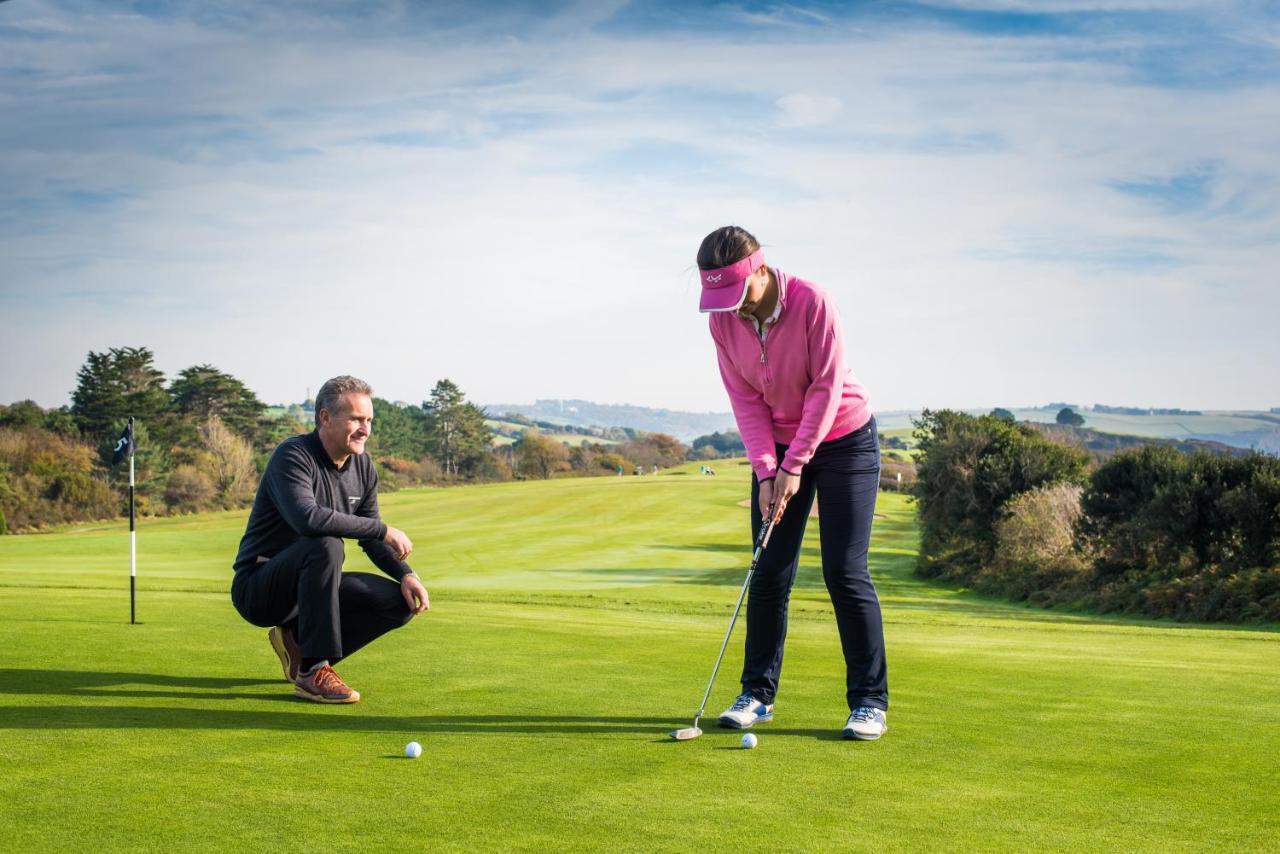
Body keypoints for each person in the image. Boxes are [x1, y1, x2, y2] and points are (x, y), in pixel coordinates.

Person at [697, 225, 888, 740]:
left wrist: (794, 465)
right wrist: (766, 470)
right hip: (779, 447)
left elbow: (826, 389)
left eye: (736, 293)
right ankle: (756, 695)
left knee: (844, 571)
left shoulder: (813, 302)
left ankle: (869, 702)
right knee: (768, 570)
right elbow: (746, 399)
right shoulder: (722, 322)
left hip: (845, 437)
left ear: (760, 270)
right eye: (718, 297)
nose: (730, 307)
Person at [230, 375, 429, 704]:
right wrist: (382, 529)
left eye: (369, 420)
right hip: (260, 588)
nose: (365, 429)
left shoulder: (363, 467)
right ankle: (313, 672)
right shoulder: (293, 456)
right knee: (325, 543)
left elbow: (370, 536)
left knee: (397, 603)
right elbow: (307, 518)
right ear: (325, 417)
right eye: (355, 419)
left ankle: (298, 645)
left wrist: (406, 575)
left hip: (313, 587)